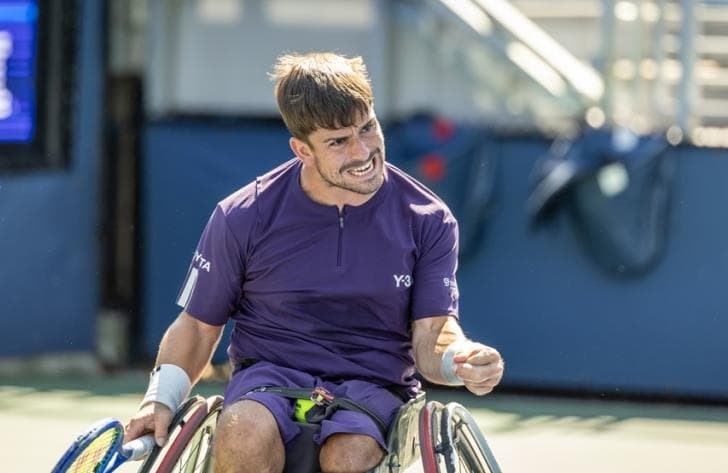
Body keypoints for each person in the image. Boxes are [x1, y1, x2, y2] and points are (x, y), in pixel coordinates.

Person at [124, 51, 504, 473]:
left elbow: (434, 331)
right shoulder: (242, 215)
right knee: (243, 430)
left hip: (375, 385)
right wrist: (158, 399)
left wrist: (460, 360)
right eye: (338, 142)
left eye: (368, 128)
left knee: (349, 455)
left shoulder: (429, 219)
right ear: (301, 149)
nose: (363, 152)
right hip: (268, 377)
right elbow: (197, 326)